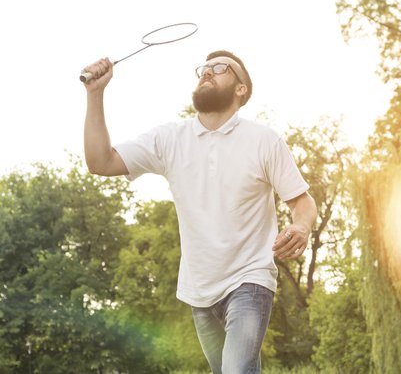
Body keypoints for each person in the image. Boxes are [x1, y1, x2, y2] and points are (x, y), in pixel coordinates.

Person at [82, 50, 317, 374]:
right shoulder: (169, 139)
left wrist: (301, 227)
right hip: (199, 291)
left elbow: (301, 201)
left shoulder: (263, 141)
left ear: (241, 89)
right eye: (204, 69)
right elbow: (100, 162)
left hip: (250, 279)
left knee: (236, 370)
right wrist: (96, 95)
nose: (208, 72)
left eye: (220, 68)